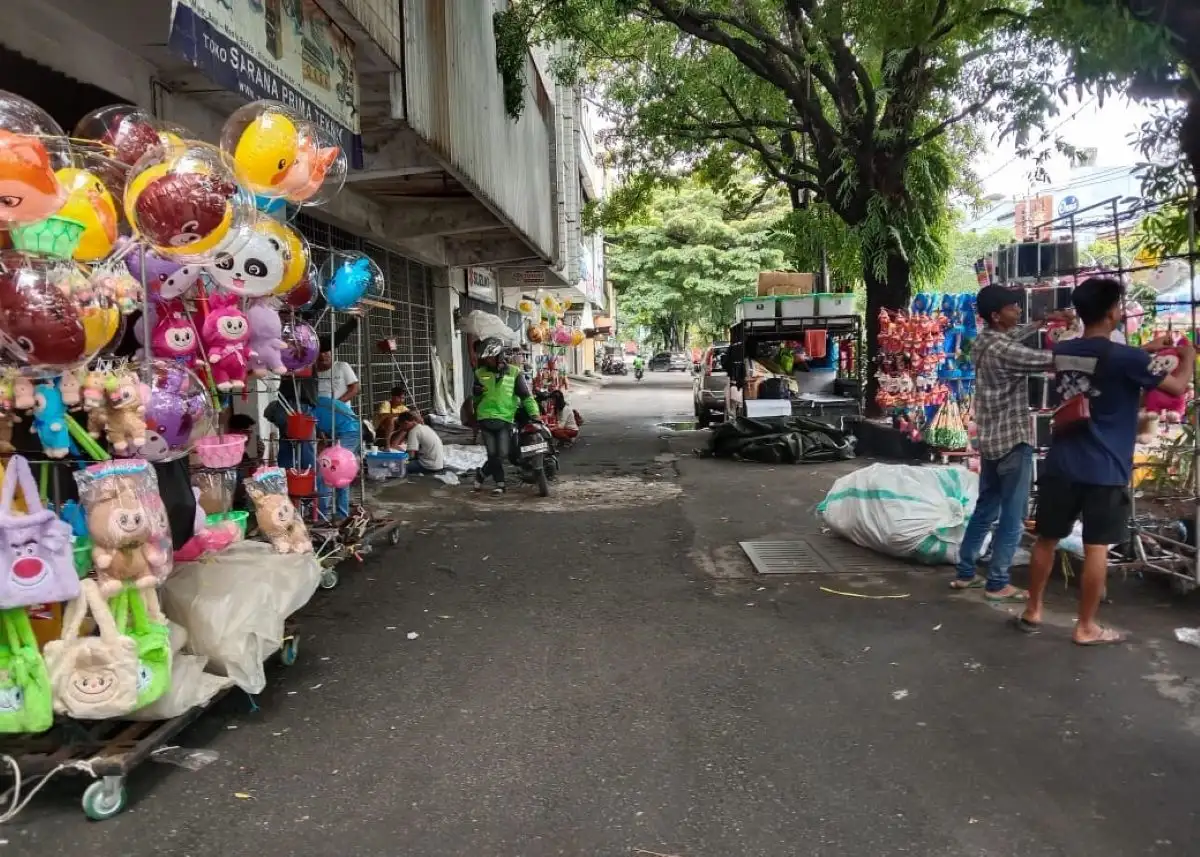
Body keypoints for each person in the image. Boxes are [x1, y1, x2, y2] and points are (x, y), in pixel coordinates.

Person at [1019, 277, 1193, 644]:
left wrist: (1145, 349)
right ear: (1114, 311)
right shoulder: (1126, 358)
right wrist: (1188, 356)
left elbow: (1102, 360)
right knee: (1096, 546)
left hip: (1063, 459)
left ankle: (1033, 608)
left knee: (1046, 539)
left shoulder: (1065, 350)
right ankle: (1085, 626)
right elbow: (1176, 387)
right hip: (1106, 465)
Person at [951, 285, 1057, 602]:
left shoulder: (985, 341)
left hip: (990, 441)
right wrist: (1092, 347)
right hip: (1013, 441)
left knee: (985, 509)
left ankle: (965, 573)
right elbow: (1048, 359)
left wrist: (1040, 323)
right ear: (997, 316)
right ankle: (997, 582)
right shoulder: (1004, 351)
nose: (1019, 311)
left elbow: (1014, 338)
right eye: (1013, 307)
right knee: (1013, 516)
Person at [472, 337, 539, 495]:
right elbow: (476, 399)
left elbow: (526, 397)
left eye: (490, 357)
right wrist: (475, 395)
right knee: (492, 453)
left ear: (499, 356)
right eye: (485, 358)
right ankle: (500, 483)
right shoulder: (479, 373)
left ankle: (481, 474)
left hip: (505, 418)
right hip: (485, 418)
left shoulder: (515, 373)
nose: (487, 361)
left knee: (502, 453)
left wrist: (535, 414)